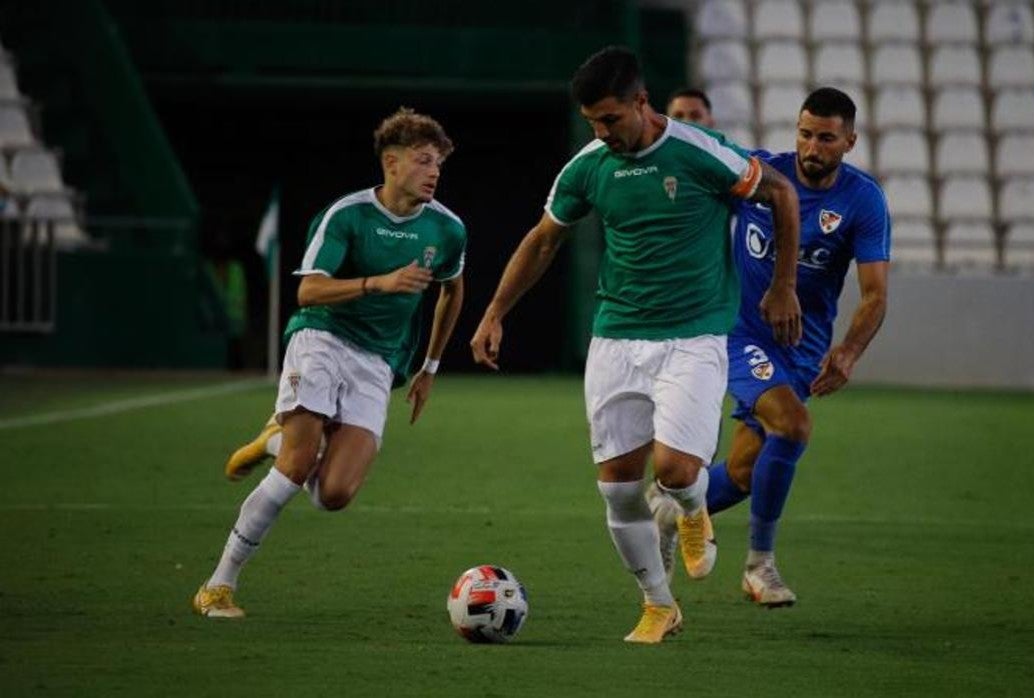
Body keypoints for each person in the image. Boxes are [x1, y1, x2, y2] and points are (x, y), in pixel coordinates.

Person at [469, 46, 802, 643]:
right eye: (592, 122)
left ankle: (693, 509)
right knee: (618, 490)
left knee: (675, 472)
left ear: (641, 103)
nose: (601, 132)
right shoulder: (589, 164)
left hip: (693, 337)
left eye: (610, 119)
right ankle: (657, 604)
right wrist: (495, 311)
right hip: (616, 340)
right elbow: (544, 240)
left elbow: (781, 193)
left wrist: (782, 285)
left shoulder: (700, 152)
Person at [192, 107, 467, 618]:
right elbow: (308, 290)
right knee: (297, 466)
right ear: (391, 162)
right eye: (424, 161)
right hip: (322, 337)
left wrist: (429, 367)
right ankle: (218, 585)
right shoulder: (348, 215)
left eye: (439, 165)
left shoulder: (447, 229)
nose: (434, 172)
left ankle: (274, 437)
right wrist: (376, 283)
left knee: (334, 494)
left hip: (377, 362)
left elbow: (453, 288)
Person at [650, 87, 890, 608]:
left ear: (849, 141)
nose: (812, 146)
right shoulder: (761, 172)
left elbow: (875, 295)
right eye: (805, 134)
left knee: (742, 472)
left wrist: (847, 352)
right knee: (793, 424)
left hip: (802, 349)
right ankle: (761, 566)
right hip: (739, 331)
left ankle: (669, 506)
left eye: (826, 138)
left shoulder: (863, 200)